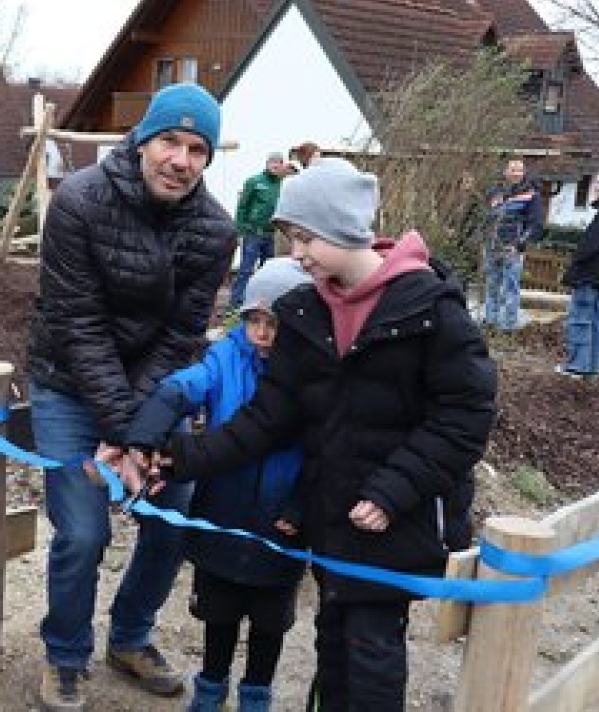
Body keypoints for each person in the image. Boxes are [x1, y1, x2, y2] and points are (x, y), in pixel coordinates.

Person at [127, 157, 497, 711]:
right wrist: (177, 460)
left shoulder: (430, 311)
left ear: (345, 229)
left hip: (398, 516)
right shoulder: (305, 312)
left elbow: (465, 418)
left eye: (305, 238)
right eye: (291, 239)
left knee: (371, 651)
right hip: (332, 516)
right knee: (332, 644)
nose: (296, 254)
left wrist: (393, 491)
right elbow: (264, 420)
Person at [26, 81, 238, 712]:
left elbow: (180, 339)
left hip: (153, 392)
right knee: (84, 531)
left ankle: (130, 637)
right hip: (68, 379)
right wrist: (121, 431)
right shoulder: (79, 201)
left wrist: (139, 433)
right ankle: (66, 653)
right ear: (142, 140)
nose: (181, 159)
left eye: (197, 148)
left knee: (174, 510)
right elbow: (78, 323)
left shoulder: (215, 229)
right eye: (170, 140)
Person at [128, 257, 311, 712]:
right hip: (220, 510)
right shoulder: (226, 356)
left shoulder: (315, 374)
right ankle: (210, 690)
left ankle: (256, 695)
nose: (262, 333)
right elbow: (182, 387)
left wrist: (301, 505)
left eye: (275, 323)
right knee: (218, 612)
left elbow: (324, 452)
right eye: (254, 319)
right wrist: (146, 435)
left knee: (270, 620)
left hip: (281, 522)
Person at [557, 170, 599, 378]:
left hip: (590, 273)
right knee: (596, 321)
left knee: (579, 319)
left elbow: (590, 246)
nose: (596, 184)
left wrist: (575, 261)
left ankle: (576, 366)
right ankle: (592, 368)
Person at [483, 158, 544, 331]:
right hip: (492, 246)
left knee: (510, 287)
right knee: (492, 285)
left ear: (524, 172)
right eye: (513, 169)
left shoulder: (531, 195)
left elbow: (536, 225)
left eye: (520, 170)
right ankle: (490, 322)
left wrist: (519, 245)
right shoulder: (496, 193)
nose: (516, 173)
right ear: (505, 171)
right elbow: (488, 218)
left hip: (513, 248)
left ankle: (508, 326)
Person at [228, 153, 287, 309]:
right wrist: (240, 230)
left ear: (282, 166)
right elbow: (242, 206)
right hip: (253, 233)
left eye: (279, 163)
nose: (275, 165)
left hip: (270, 234)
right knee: (246, 269)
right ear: (267, 164)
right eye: (272, 162)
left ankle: (263, 301)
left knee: (267, 270)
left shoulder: (282, 185)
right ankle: (236, 303)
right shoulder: (254, 181)